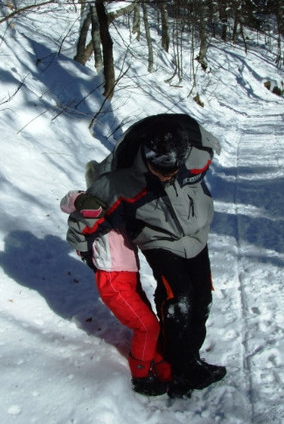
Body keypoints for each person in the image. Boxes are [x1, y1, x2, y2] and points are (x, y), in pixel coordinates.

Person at [66, 113, 225, 398]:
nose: (167, 176)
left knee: (202, 300)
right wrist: (84, 248)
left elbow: (209, 143)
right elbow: (85, 211)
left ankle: (191, 359)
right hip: (158, 239)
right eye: (160, 170)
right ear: (147, 157)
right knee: (179, 301)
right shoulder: (122, 178)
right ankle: (176, 366)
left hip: (197, 235)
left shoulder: (197, 155)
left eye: (173, 170)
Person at [60, 189, 172, 396]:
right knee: (146, 326)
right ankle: (141, 377)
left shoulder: (117, 205)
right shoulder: (88, 210)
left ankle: (162, 366)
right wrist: (82, 199)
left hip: (130, 274)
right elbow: (70, 205)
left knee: (150, 323)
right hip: (112, 278)